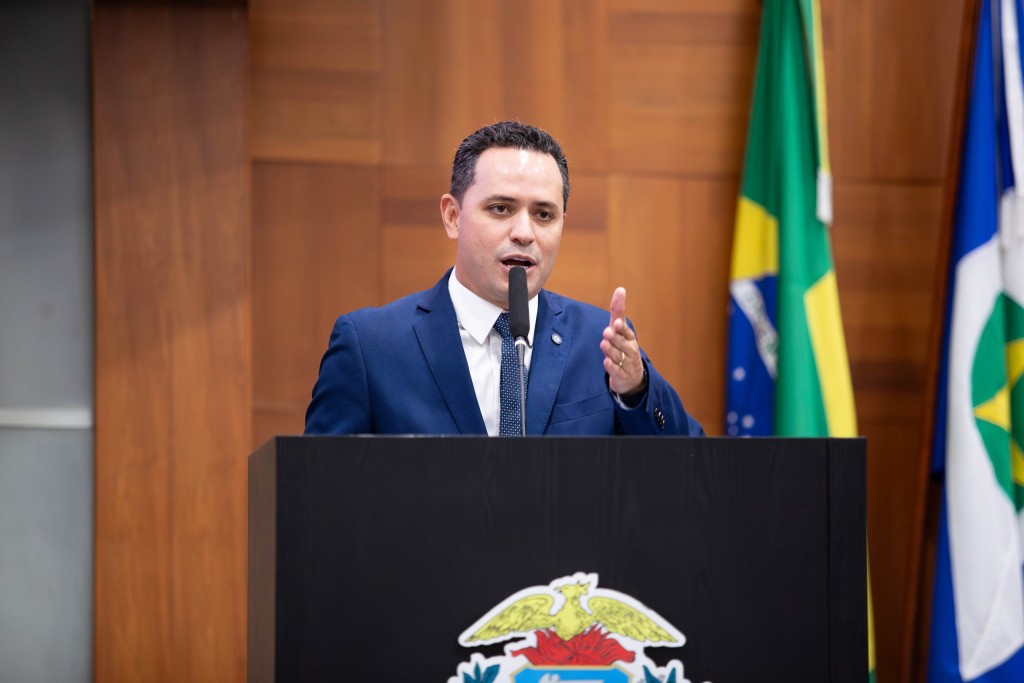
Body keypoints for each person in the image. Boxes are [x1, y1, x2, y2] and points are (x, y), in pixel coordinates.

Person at [305, 121, 703, 436]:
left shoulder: (598, 342)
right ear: (453, 216)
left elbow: (690, 468)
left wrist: (635, 390)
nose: (524, 233)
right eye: (501, 208)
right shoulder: (371, 346)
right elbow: (319, 490)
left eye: (544, 214)